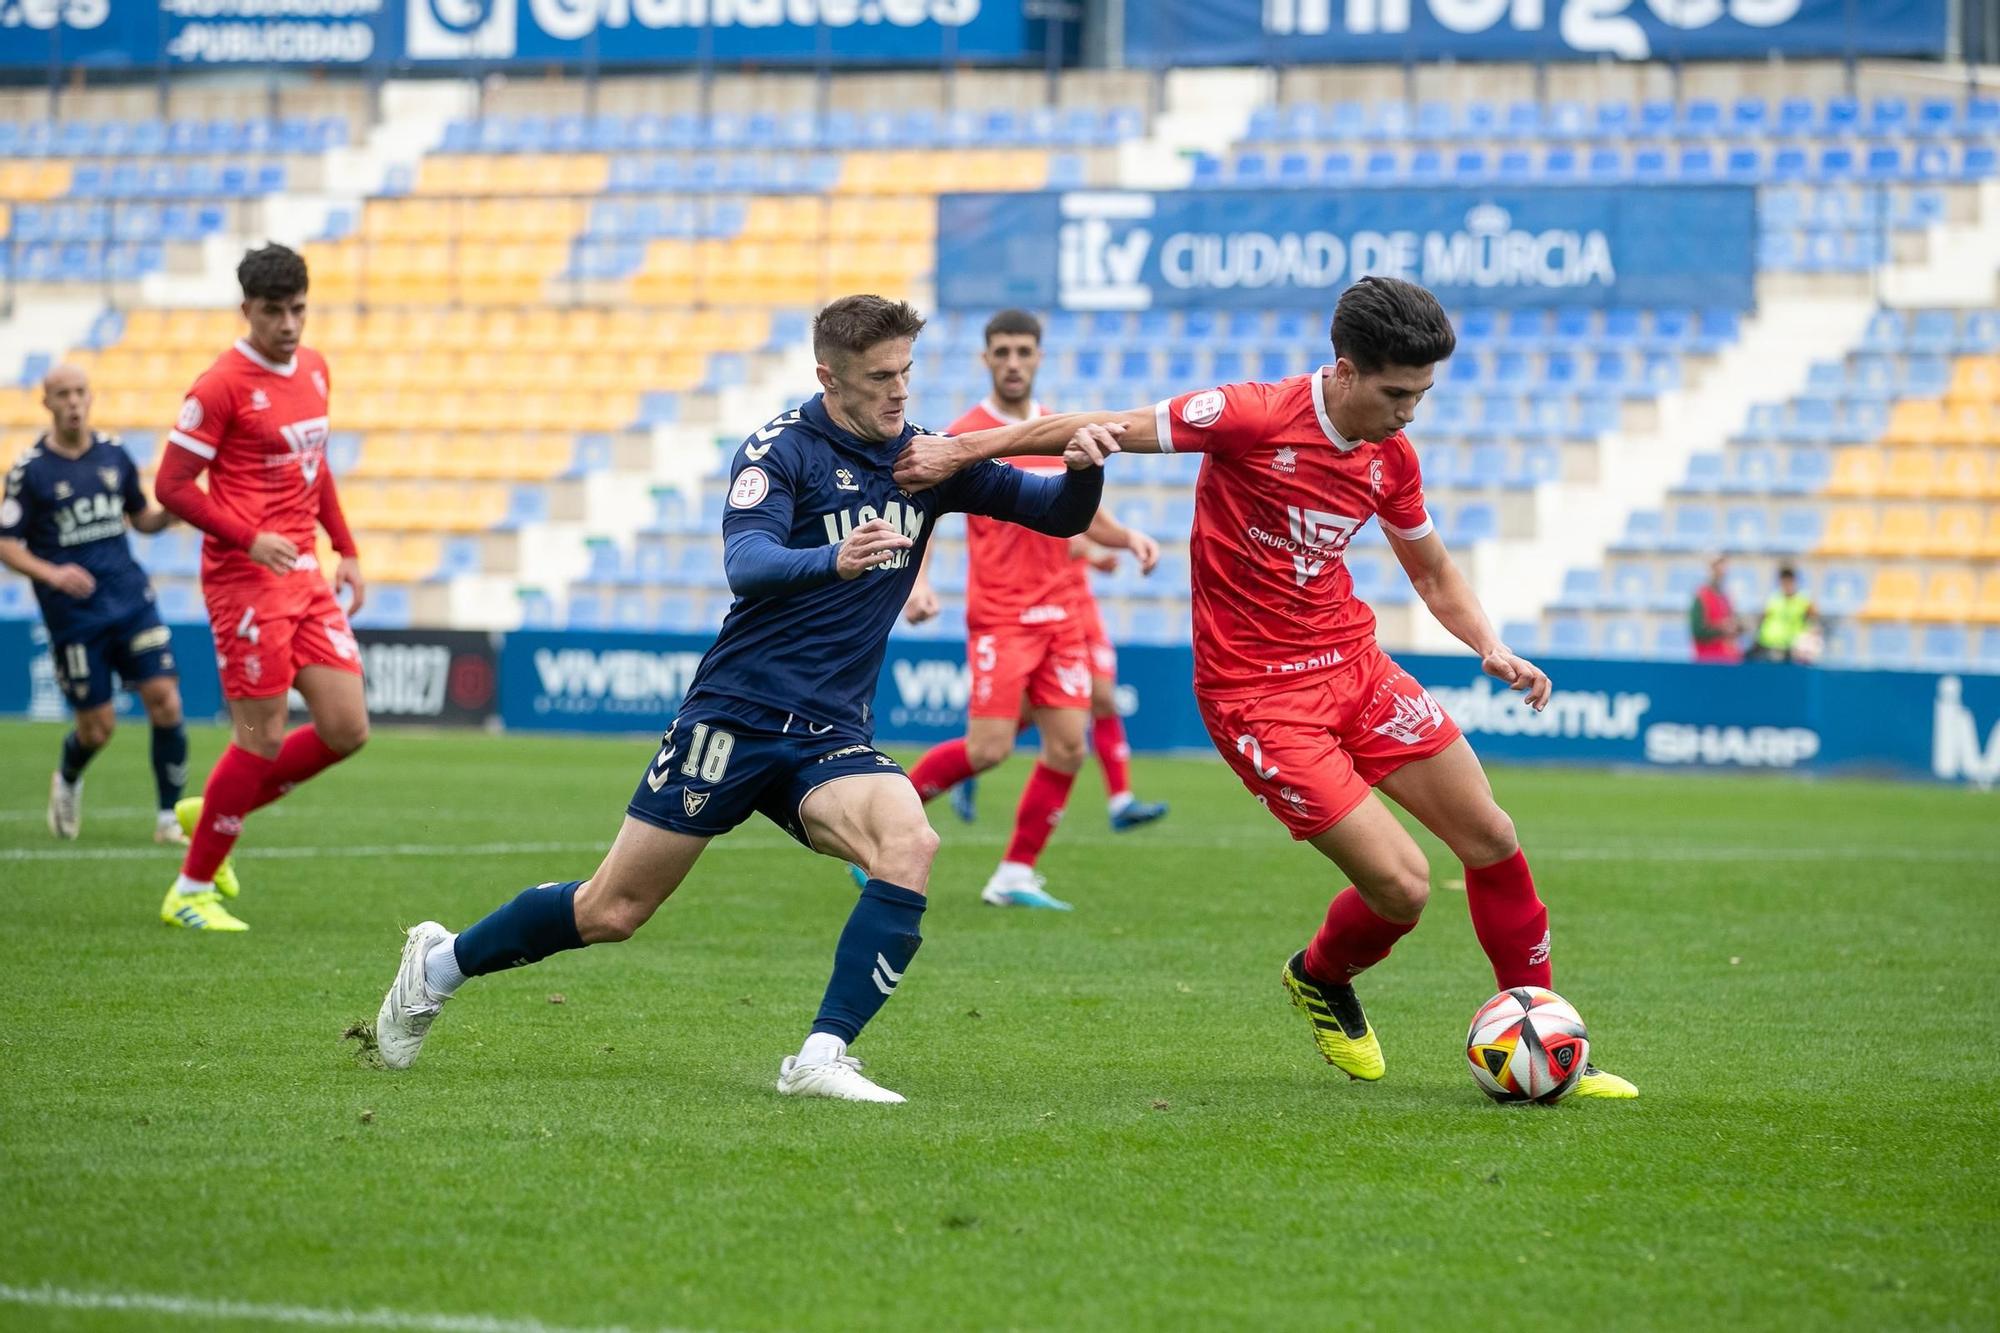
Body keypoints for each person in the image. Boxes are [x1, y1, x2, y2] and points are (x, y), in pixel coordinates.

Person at [893, 276, 1636, 1099]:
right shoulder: (1249, 414)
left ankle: (1555, 1040)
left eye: (1423, 394)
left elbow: (1432, 571)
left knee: (1493, 836)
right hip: (1256, 697)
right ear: (1346, 370)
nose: (1410, 412)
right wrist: (958, 452)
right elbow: (1095, 422)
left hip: (1356, 667)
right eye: (1397, 392)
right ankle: (1321, 975)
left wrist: (1491, 645)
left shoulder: (1392, 457)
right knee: (1404, 887)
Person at [371, 295, 1113, 1104]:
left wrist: (1085, 465)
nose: (900, 392)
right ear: (829, 376)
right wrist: (834, 558)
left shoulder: (924, 459)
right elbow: (748, 561)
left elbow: (1054, 512)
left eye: (906, 371)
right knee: (613, 909)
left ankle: (820, 1055)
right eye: (879, 377)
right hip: (735, 714)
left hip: (828, 732)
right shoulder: (781, 449)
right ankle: (438, 964)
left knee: (909, 843)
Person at [897, 309, 1168, 911]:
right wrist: (919, 584)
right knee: (989, 748)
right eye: (1003, 352)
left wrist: (1128, 539)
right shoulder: (964, 434)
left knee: (1069, 747)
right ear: (987, 358)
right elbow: (927, 514)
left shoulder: (1057, 429)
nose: (1013, 362)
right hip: (1001, 616)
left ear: (1039, 356)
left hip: (1062, 615)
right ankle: (882, 832)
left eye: (1024, 351)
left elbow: (1082, 509)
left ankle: (1014, 873)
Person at [152, 243, 369, 932]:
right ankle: (189, 888)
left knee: (345, 727)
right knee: (260, 736)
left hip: (302, 572)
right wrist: (248, 536)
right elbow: (171, 486)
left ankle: (218, 803)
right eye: (272, 311)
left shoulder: (314, 368)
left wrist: (347, 546)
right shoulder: (218, 386)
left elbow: (316, 464)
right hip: (245, 580)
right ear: (246, 309)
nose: (288, 324)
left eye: (297, 309)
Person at [0, 364, 188, 844]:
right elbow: (7, 542)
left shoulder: (114, 454)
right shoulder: (29, 472)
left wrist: (171, 512)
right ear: (46, 403)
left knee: (166, 700)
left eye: (80, 392)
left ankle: (169, 819)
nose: (73, 402)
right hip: (76, 617)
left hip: (130, 599)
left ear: (91, 396)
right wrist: (52, 573)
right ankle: (66, 777)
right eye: (62, 394)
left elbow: (139, 517)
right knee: (98, 727)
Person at [1750, 564, 1821, 663]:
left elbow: (1815, 622)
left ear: (1794, 581)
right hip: (1769, 644)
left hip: (1792, 648)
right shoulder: (1773, 599)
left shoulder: (1804, 600)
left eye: (1789, 581)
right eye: (1784, 582)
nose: (1787, 585)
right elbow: (1763, 619)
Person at [1690, 553, 1744, 664]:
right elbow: (1698, 631)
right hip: (1708, 660)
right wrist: (1722, 629)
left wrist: (1737, 627)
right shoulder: (1701, 596)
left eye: (1723, 566)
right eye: (1717, 566)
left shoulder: (1725, 597)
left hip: (1729, 659)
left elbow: (1735, 624)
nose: (1721, 570)